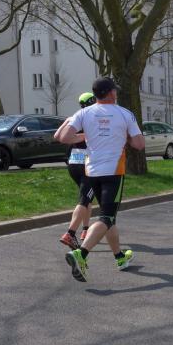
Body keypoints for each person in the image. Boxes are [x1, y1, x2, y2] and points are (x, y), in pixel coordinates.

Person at [55, 77, 146, 282]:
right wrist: (125, 136)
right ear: (111, 93)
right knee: (107, 217)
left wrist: (86, 136)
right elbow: (139, 144)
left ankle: (120, 257)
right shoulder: (125, 113)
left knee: (109, 217)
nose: (117, 93)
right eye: (115, 90)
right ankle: (81, 253)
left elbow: (63, 137)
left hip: (92, 172)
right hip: (113, 172)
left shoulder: (83, 113)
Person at [57, 92, 96, 249]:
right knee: (84, 200)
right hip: (88, 164)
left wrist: (66, 122)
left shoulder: (76, 117)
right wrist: (86, 135)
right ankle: (70, 234)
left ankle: (85, 230)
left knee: (87, 198)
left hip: (73, 164)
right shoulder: (94, 119)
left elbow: (57, 136)